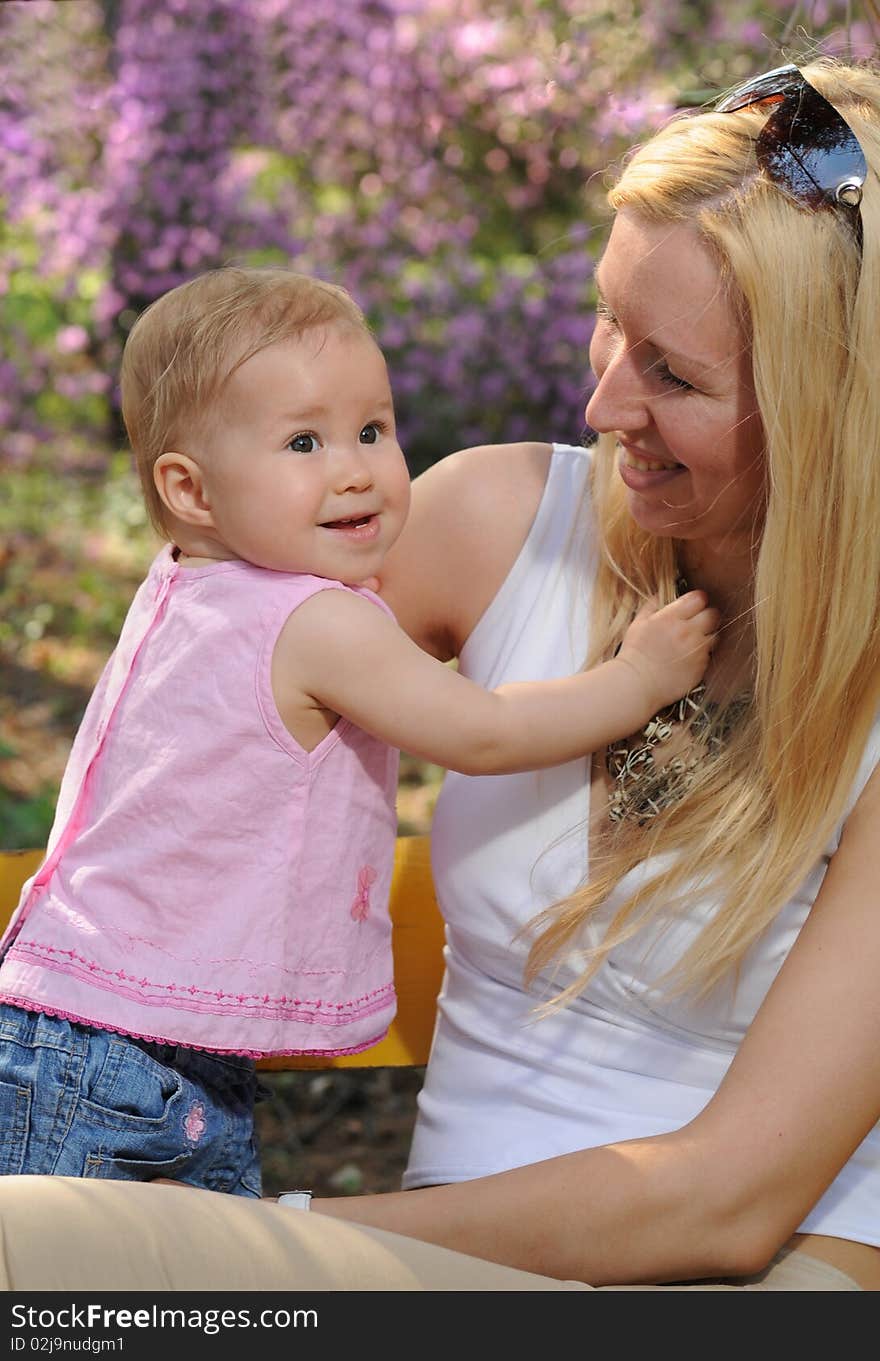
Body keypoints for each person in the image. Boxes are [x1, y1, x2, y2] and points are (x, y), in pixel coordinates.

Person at [267, 55, 880, 1291]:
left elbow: (723, 1201)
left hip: (766, 1269)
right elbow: (200, 717)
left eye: (674, 374)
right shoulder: (499, 522)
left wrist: (272, 1247)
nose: (602, 403)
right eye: (610, 317)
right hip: (432, 1252)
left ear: (831, 411)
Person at [0, 267, 715, 1200]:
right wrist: (638, 677)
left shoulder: (190, 587)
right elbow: (484, 731)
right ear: (192, 489)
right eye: (304, 441)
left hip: (91, 1029)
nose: (357, 467)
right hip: (125, 1065)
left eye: (373, 429)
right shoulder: (319, 624)